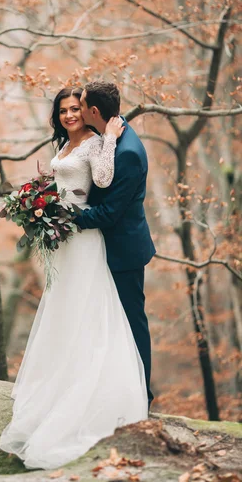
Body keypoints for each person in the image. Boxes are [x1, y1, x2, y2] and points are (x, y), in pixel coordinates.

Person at [0, 86, 149, 471]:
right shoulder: (65, 143)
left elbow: (100, 180)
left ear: (88, 111)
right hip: (63, 238)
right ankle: (58, 380)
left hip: (83, 236)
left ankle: (113, 392)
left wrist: (109, 141)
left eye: (75, 109)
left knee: (91, 309)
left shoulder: (102, 143)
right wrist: (35, 202)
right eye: (63, 110)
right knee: (62, 309)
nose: (69, 115)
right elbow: (60, 181)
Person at [78, 80, 156, 407]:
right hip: (103, 249)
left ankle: (142, 396)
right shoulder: (108, 137)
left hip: (124, 252)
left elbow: (110, 212)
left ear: (94, 111)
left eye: (81, 105)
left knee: (131, 322)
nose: (78, 110)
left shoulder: (129, 154)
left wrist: (69, 217)